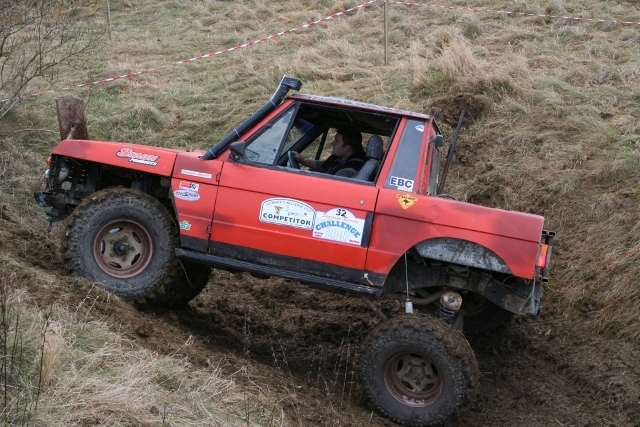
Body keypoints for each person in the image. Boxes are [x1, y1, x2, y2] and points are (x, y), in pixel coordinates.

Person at [292, 126, 366, 176]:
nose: (332, 143)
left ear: (347, 147)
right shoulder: (340, 157)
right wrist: (303, 161)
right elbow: (323, 165)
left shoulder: (348, 170)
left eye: (336, 141)